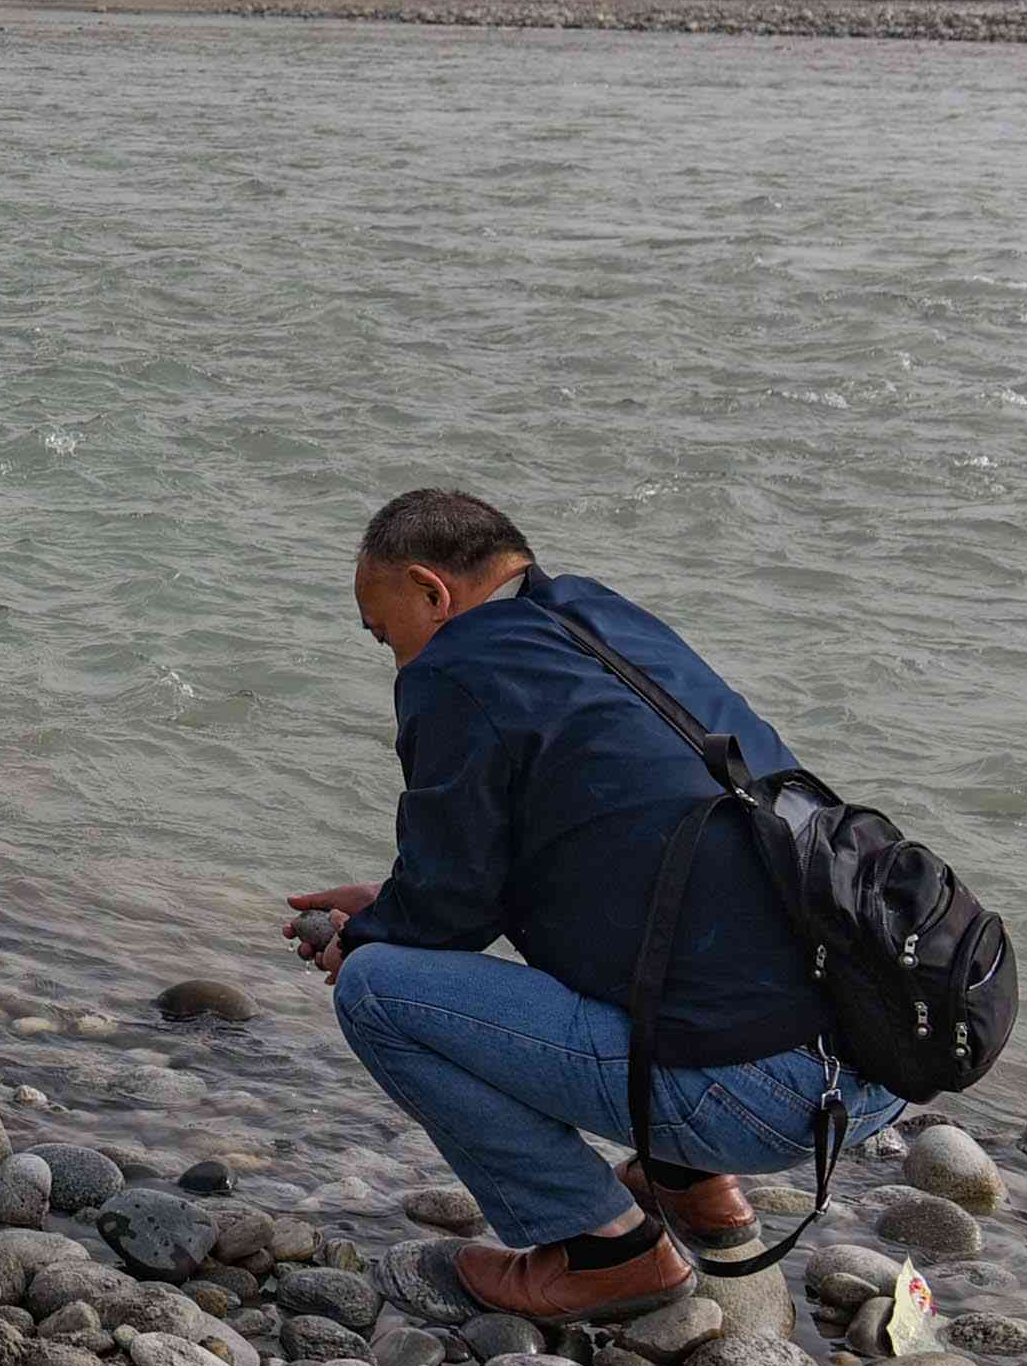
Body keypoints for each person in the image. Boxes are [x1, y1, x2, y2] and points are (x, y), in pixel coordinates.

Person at [287, 488, 903, 1321]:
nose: (392, 658)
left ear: (431, 592)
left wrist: (368, 933)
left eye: (383, 631)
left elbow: (452, 912)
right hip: (876, 1054)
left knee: (377, 994)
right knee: (676, 909)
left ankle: (605, 1252)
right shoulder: (603, 618)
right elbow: (599, 854)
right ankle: (687, 1184)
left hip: (764, 1098)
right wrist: (397, 901)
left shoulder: (451, 674)